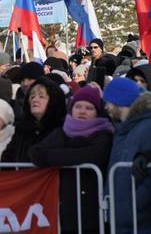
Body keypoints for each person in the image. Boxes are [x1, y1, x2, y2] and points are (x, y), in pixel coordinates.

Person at [29, 85, 114, 234]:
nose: (82, 111)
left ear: (97, 112)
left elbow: (93, 156)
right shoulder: (63, 131)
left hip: (92, 211)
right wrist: (71, 152)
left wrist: (57, 154)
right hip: (62, 210)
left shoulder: (104, 133)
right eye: (78, 106)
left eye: (89, 108)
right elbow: (37, 153)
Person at [103, 77, 151, 233]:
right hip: (121, 217)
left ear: (120, 100)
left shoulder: (149, 128)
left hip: (140, 220)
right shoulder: (122, 130)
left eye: (109, 101)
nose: (105, 107)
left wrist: (134, 205)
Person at [2, 76, 67, 162]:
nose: (35, 100)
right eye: (32, 97)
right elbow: (7, 158)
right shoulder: (22, 128)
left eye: (41, 96)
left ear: (53, 100)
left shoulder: (62, 128)